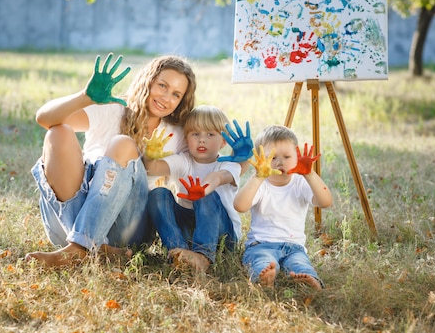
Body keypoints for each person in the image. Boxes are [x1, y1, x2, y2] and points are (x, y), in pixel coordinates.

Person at [25, 53, 196, 267]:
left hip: (127, 230)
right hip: (68, 223)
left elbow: (205, 163)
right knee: (57, 132)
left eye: (176, 94)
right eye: (162, 86)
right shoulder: (113, 110)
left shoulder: (176, 134)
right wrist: (85, 97)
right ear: (148, 81)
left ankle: (80, 249)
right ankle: (94, 247)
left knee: (123, 144)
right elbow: (45, 118)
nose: (166, 97)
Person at [142, 105, 251, 273]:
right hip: (188, 231)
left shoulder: (228, 164)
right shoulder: (183, 161)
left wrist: (203, 190)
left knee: (206, 195)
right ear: (186, 139)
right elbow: (152, 169)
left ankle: (203, 256)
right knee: (158, 194)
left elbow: (218, 177)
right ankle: (178, 251)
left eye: (210, 134)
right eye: (195, 134)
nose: (202, 140)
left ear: (223, 141)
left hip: (222, 237)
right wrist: (149, 157)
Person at [233, 125, 333, 289]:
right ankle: (264, 277)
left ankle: (309, 280)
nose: (280, 162)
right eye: (272, 158)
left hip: (294, 248)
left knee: (299, 263)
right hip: (261, 245)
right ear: (259, 160)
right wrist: (258, 177)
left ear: (297, 156)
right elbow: (240, 205)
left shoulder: (300, 182)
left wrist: (310, 174)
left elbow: (326, 202)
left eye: (287, 156)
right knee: (261, 261)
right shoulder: (261, 184)